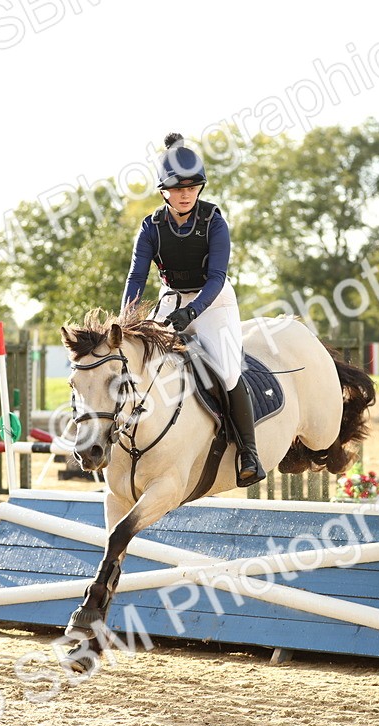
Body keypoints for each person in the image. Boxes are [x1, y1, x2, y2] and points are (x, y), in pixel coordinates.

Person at [120, 133, 265, 487]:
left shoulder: (214, 220)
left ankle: (249, 452)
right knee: (144, 361)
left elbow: (217, 277)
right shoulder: (151, 227)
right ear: (163, 191)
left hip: (213, 300)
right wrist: (126, 318)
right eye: (177, 187)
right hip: (171, 297)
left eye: (192, 187)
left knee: (229, 372)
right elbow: (137, 275)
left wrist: (193, 311)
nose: (186, 193)